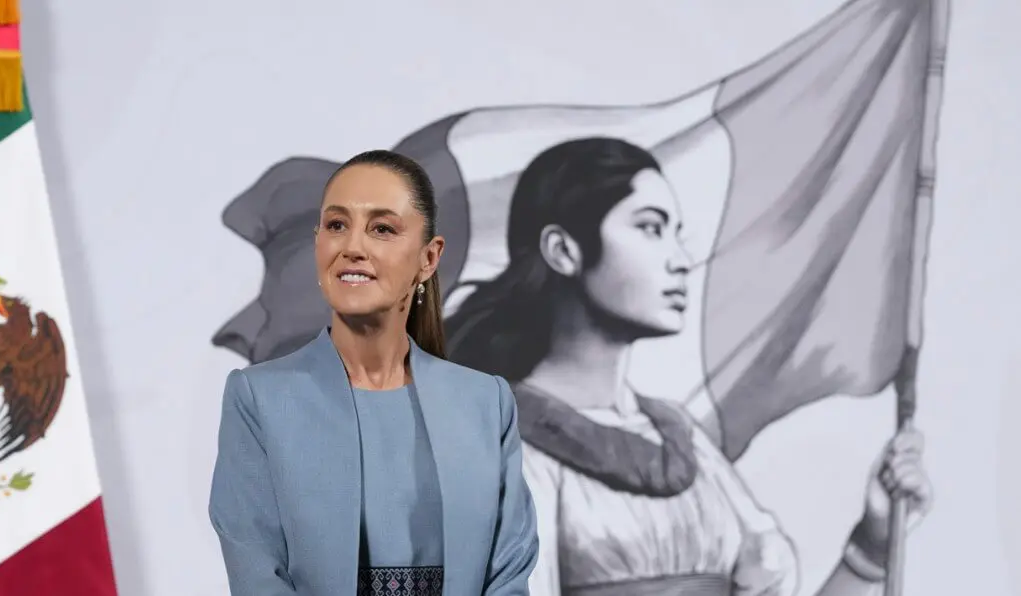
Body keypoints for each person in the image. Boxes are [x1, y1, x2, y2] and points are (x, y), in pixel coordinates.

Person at [444, 138, 934, 596]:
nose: (680, 260)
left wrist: (871, 544)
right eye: (651, 228)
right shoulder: (502, 446)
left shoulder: (683, 439)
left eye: (678, 235)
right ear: (563, 250)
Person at [208, 149, 540, 596]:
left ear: (428, 258)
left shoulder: (487, 403)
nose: (352, 247)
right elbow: (257, 576)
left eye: (382, 228)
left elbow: (509, 574)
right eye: (336, 225)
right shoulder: (258, 399)